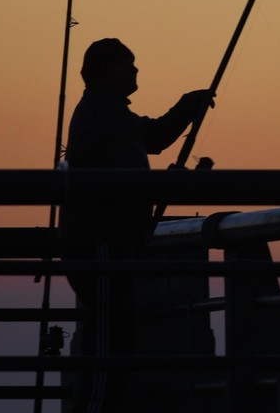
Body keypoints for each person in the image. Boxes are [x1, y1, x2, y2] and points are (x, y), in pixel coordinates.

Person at [57, 37, 213, 413]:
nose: (135, 70)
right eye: (127, 64)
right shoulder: (104, 115)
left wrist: (186, 107)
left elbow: (153, 138)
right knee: (110, 342)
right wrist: (173, 183)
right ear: (106, 71)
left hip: (108, 245)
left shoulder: (109, 112)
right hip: (102, 245)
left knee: (116, 337)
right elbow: (129, 179)